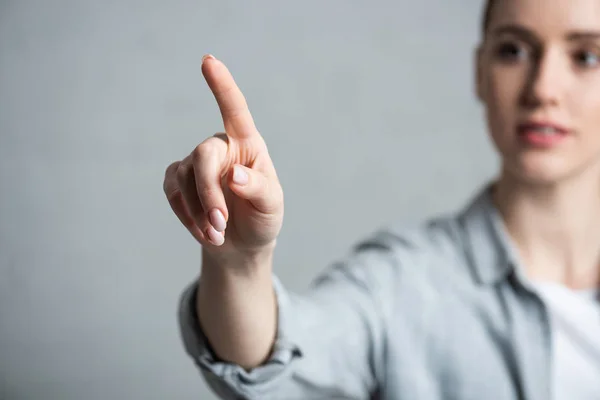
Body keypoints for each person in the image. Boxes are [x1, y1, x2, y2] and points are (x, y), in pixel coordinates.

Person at [163, 0, 600, 398]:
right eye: (513, 51)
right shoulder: (400, 283)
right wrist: (241, 265)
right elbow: (285, 366)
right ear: (480, 72)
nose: (544, 89)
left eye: (587, 56)